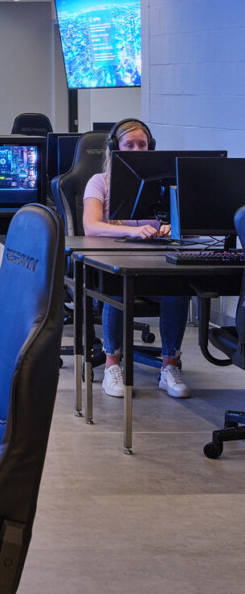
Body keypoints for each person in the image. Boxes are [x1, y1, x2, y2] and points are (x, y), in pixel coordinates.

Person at [82, 118, 190, 399]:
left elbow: (180, 224)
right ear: (115, 148)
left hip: (154, 268)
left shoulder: (164, 186)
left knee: (177, 288)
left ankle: (169, 367)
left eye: (142, 145)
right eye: (130, 144)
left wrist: (170, 228)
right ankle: (111, 365)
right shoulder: (100, 183)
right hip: (115, 268)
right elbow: (90, 226)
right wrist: (132, 230)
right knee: (119, 286)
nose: (137, 150)